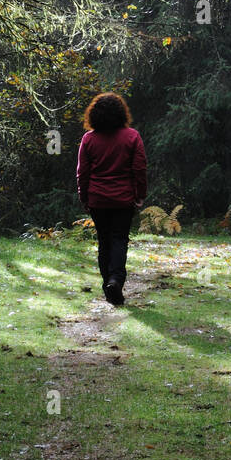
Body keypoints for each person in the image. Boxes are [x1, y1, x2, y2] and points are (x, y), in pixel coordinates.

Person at [76, 92, 146, 306]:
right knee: (119, 240)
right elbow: (140, 169)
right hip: (124, 199)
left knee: (104, 242)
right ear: (121, 113)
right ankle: (116, 280)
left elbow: (82, 173)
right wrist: (140, 194)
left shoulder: (88, 139)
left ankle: (108, 283)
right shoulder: (132, 136)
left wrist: (84, 197)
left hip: (97, 199)